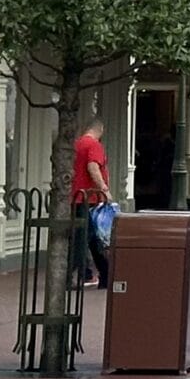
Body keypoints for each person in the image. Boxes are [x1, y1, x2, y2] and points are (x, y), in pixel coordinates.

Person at [70, 117, 114, 289]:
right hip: (90, 198)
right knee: (85, 238)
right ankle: (74, 274)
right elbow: (93, 167)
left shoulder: (76, 144)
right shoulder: (94, 145)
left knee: (92, 239)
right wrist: (104, 188)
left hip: (76, 197)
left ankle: (105, 274)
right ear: (100, 130)